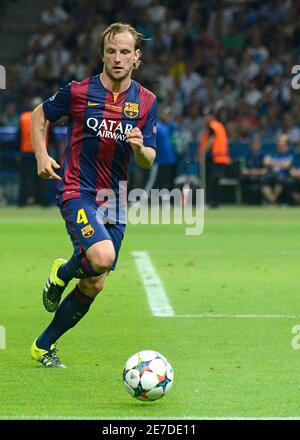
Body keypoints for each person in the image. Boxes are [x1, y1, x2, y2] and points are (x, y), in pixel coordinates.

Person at [30, 23, 157, 368]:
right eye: (112, 51)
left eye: (125, 52)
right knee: (100, 257)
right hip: (78, 190)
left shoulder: (146, 102)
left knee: (96, 283)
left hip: (113, 198)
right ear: (103, 54)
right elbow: (40, 114)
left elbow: (148, 158)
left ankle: (43, 345)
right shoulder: (79, 91)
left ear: (137, 57)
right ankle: (63, 272)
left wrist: (140, 147)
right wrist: (41, 155)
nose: (118, 58)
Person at [197, 108, 231, 207]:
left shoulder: (213, 126)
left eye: (206, 116)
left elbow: (212, 139)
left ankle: (212, 202)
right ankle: (214, 202)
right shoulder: (218, 126)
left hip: (217, 159)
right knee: (214, 181)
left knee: (212, 181)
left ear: (211, 117)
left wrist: (203, 153)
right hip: (219, 158)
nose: (205, 118)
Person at [261, 134, 293, 205]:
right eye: (279, 142)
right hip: (271, 174)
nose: (280, 143)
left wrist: (273, 163)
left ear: (287, 144)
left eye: (282, 142)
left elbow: (287, 165)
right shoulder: (272, 152)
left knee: (280, 179)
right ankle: (272, 201)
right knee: (263, 179)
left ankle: (273, 201)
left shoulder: (290, 154)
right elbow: (266, 162)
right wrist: (280, 163)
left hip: (283, 174)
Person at [240, 137, 267, 205]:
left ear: (260, 145)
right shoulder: (246, 154)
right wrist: (251, 172)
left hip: (260, 175)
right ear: (251, 145)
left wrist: (257, 172)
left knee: (265, 179)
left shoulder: (264, 155)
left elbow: (265, 170)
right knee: (242, 178)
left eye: (257, 144)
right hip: (249, 175)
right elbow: (243, 169)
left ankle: (262, 201)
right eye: (253, 144)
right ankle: (245, 201)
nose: (255, 145)